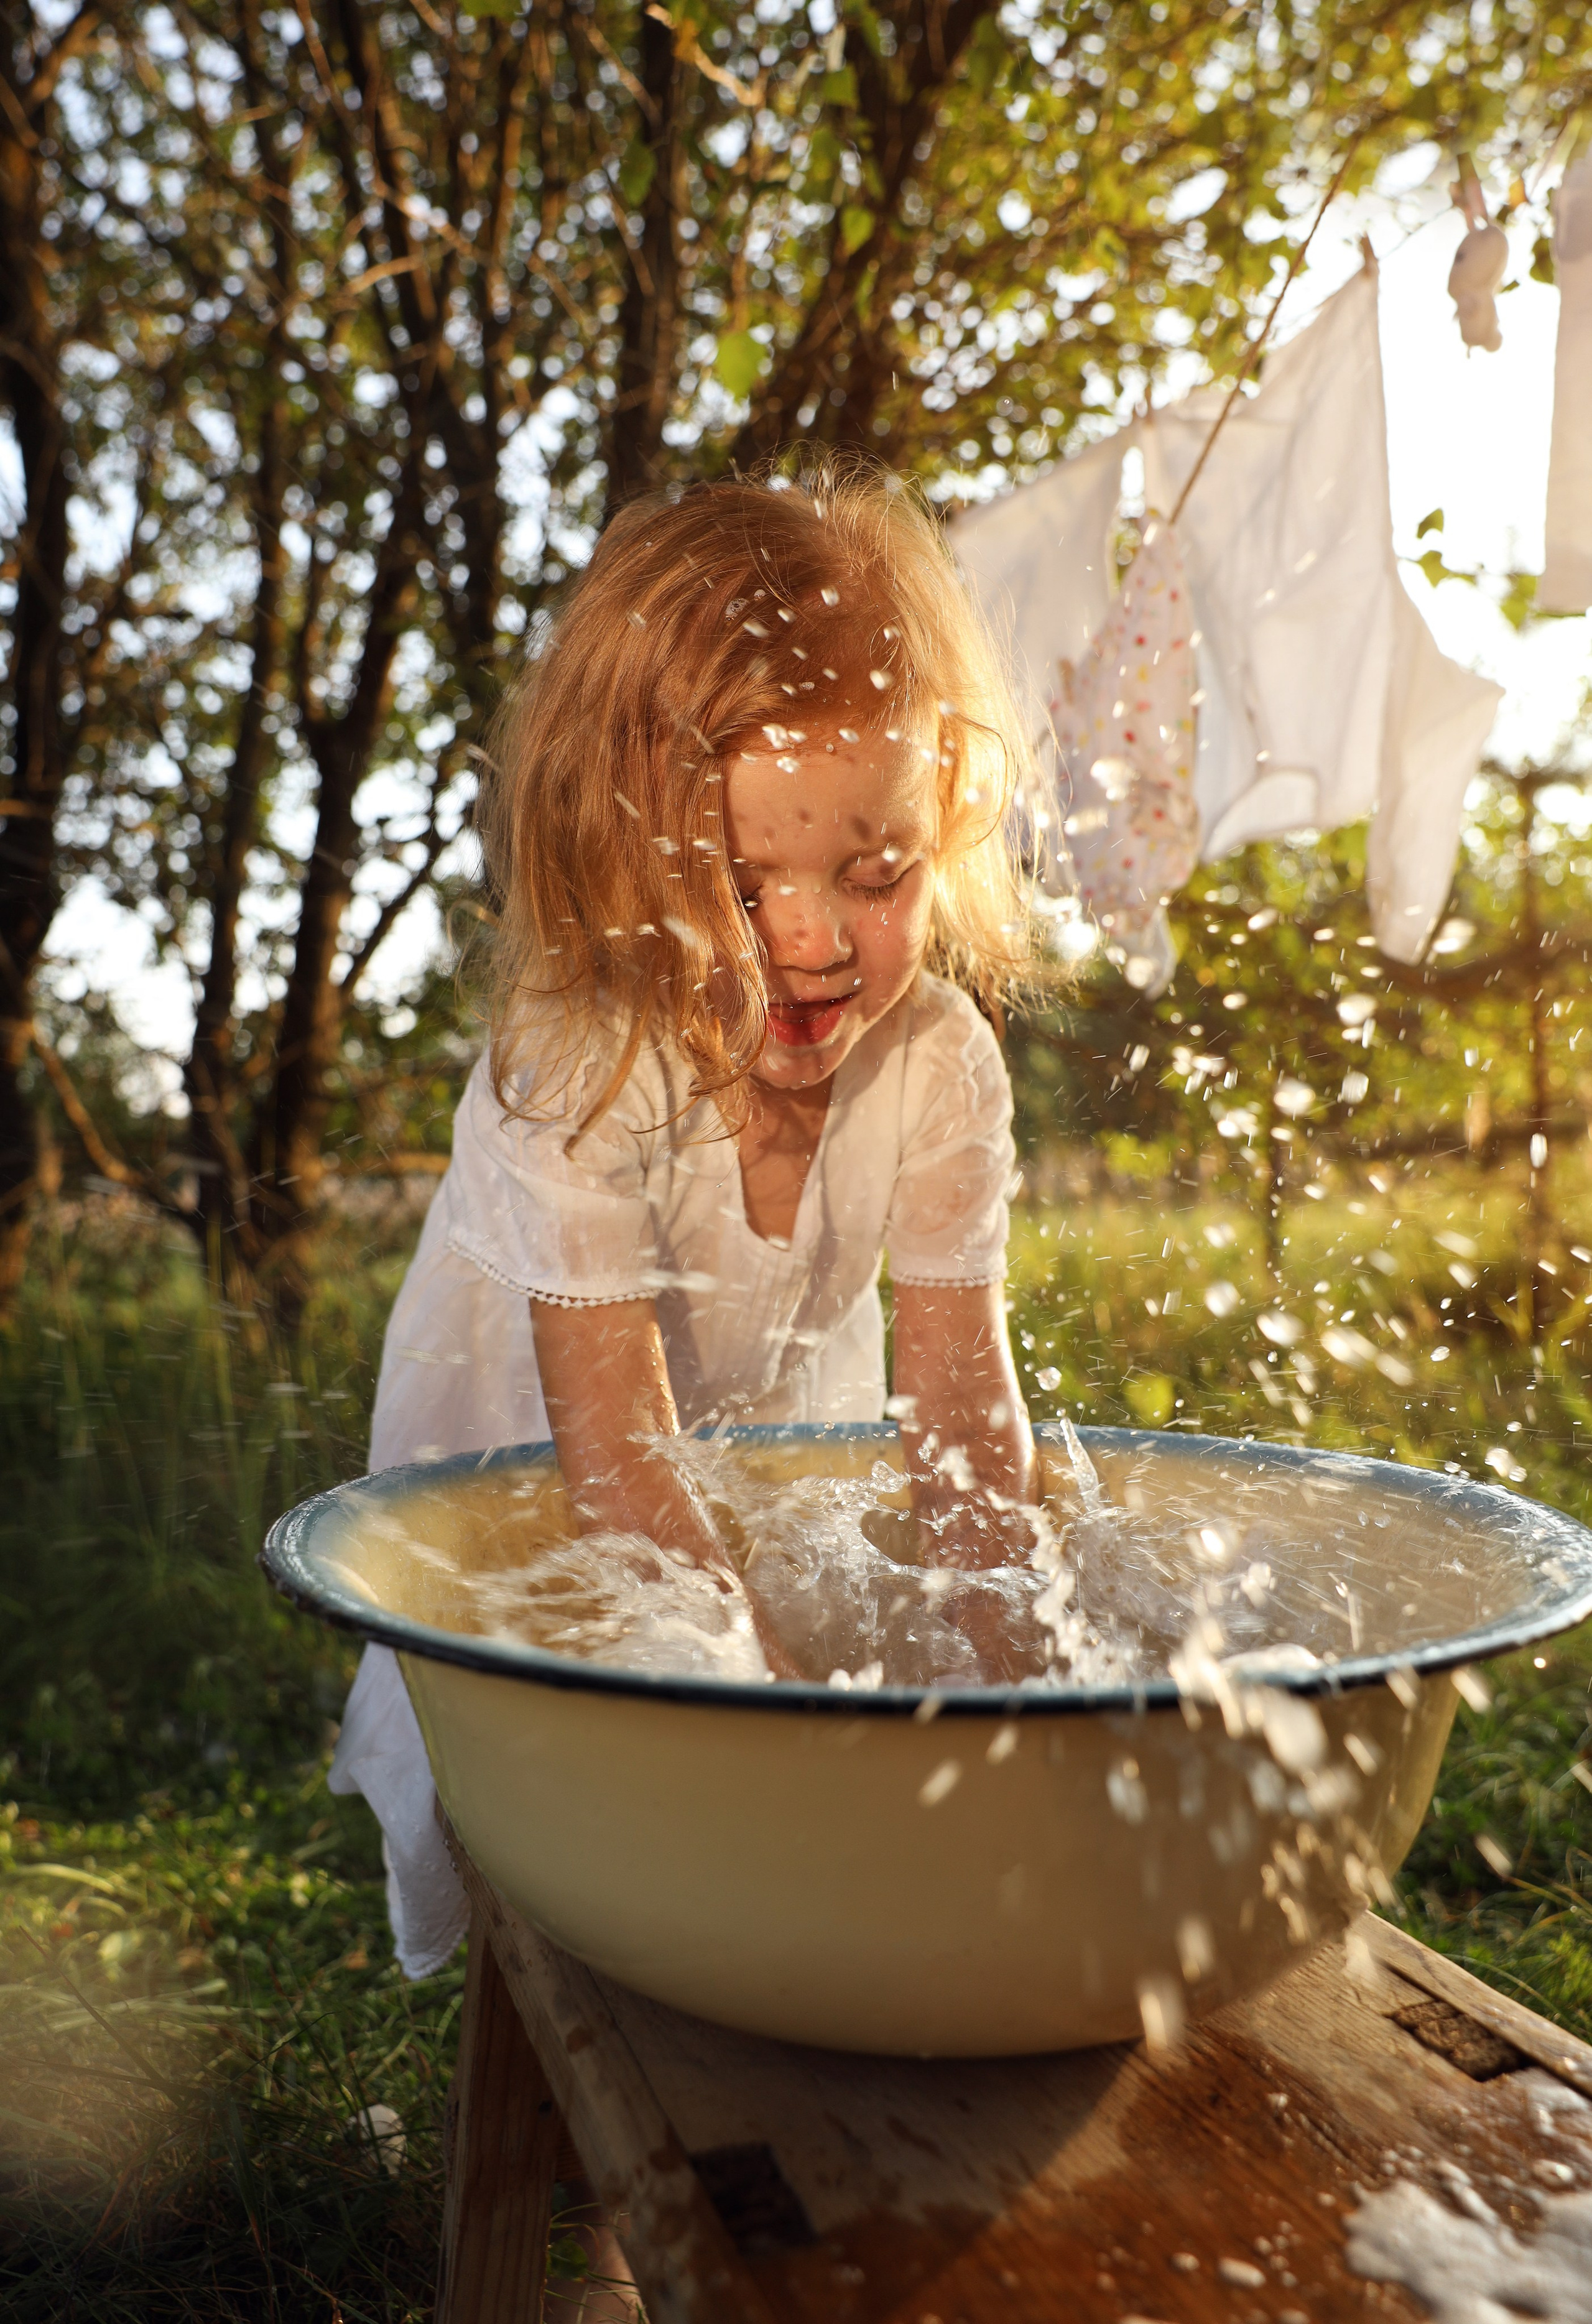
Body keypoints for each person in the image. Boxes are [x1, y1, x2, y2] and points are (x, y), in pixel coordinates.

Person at [330, 457, 1043, 1984]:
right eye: (738, 881)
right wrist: (798, 1753)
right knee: (576, 1778)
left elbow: (968, 1421)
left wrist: (1024, 1699)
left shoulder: (936, 1068)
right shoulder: (581, 1067)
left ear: (946, 820)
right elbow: (622, 1471)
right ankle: (581, 2016)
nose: (810, 940)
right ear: (622, 856)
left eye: (875, 873)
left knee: (801, 1604)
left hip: (768, 1403)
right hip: (539, 1433)